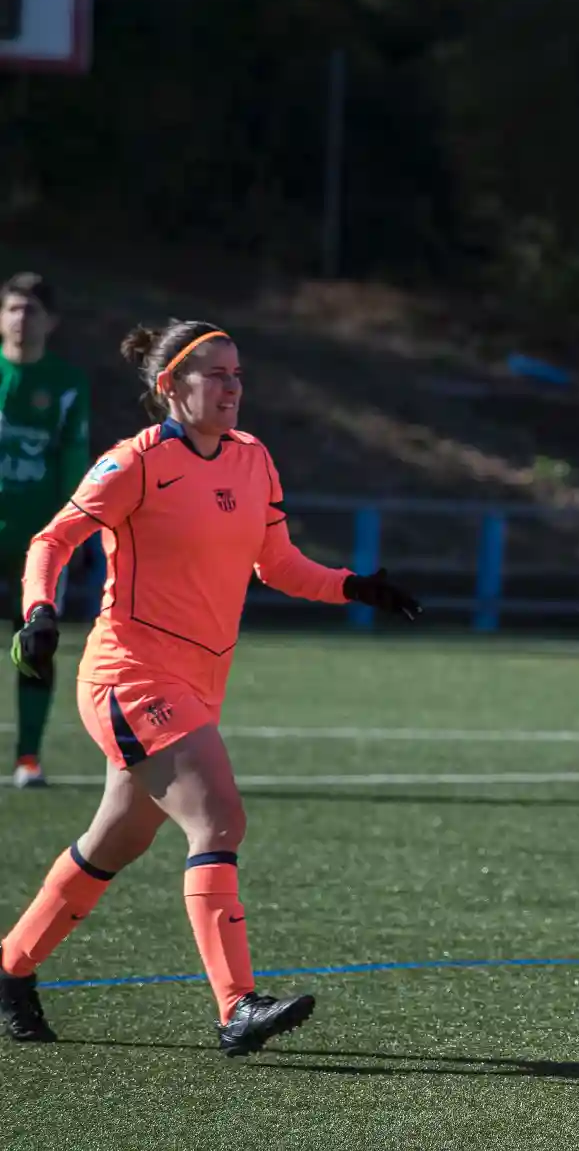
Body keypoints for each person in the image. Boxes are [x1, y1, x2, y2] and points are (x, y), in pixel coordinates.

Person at [0, 320, 420, 1054]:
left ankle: (9, 967)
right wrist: (38, 612)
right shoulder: (134, 461)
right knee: (218, 818)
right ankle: (236, 1007)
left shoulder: (253, 458)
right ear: (171, 386)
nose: (232, 388)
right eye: (216, 375)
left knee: (115, 839)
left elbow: (278, 564)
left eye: (237, 374)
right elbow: (51, 541)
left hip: (198, 679)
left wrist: (356, 586)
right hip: (128, 674)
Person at [0, 273, 89, 789]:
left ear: (51, 322)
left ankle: (27, 757)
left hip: (37, 546)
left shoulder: (66, 384)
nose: (20, 319)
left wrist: (71, 533)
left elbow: (73, 462)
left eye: (31, 310)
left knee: (35, 647)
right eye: (12, 308)